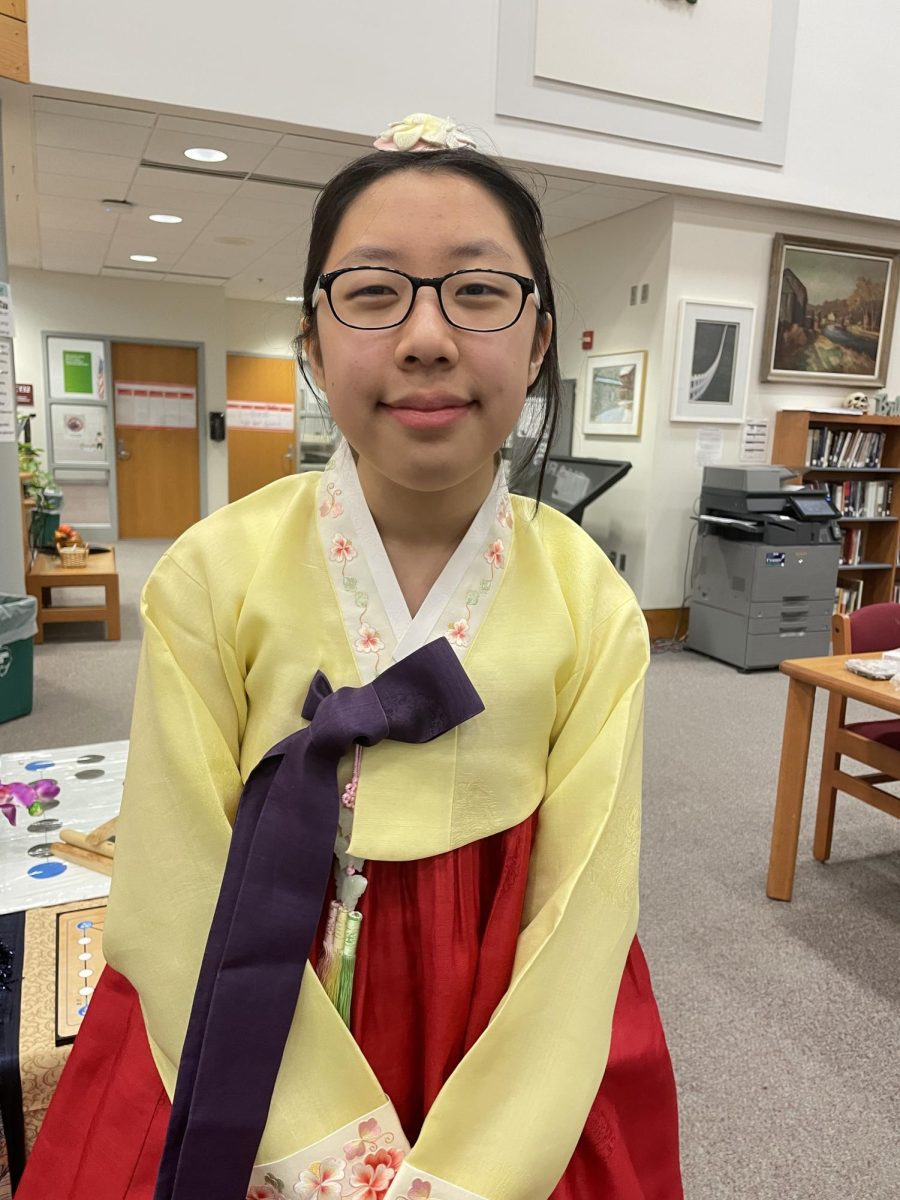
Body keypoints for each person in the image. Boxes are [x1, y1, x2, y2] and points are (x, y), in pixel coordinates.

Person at [17, 114, 683, 1200]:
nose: (427, 335)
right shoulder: (212, 572)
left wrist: (478, 1172)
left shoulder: (590, 602)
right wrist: (334, 1158)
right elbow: (174, 877)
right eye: (374, 293)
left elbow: (587, 905)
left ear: (541, 338)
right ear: (310, 344)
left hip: (500, 1022)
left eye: (477, 291)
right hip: (242, 1012)